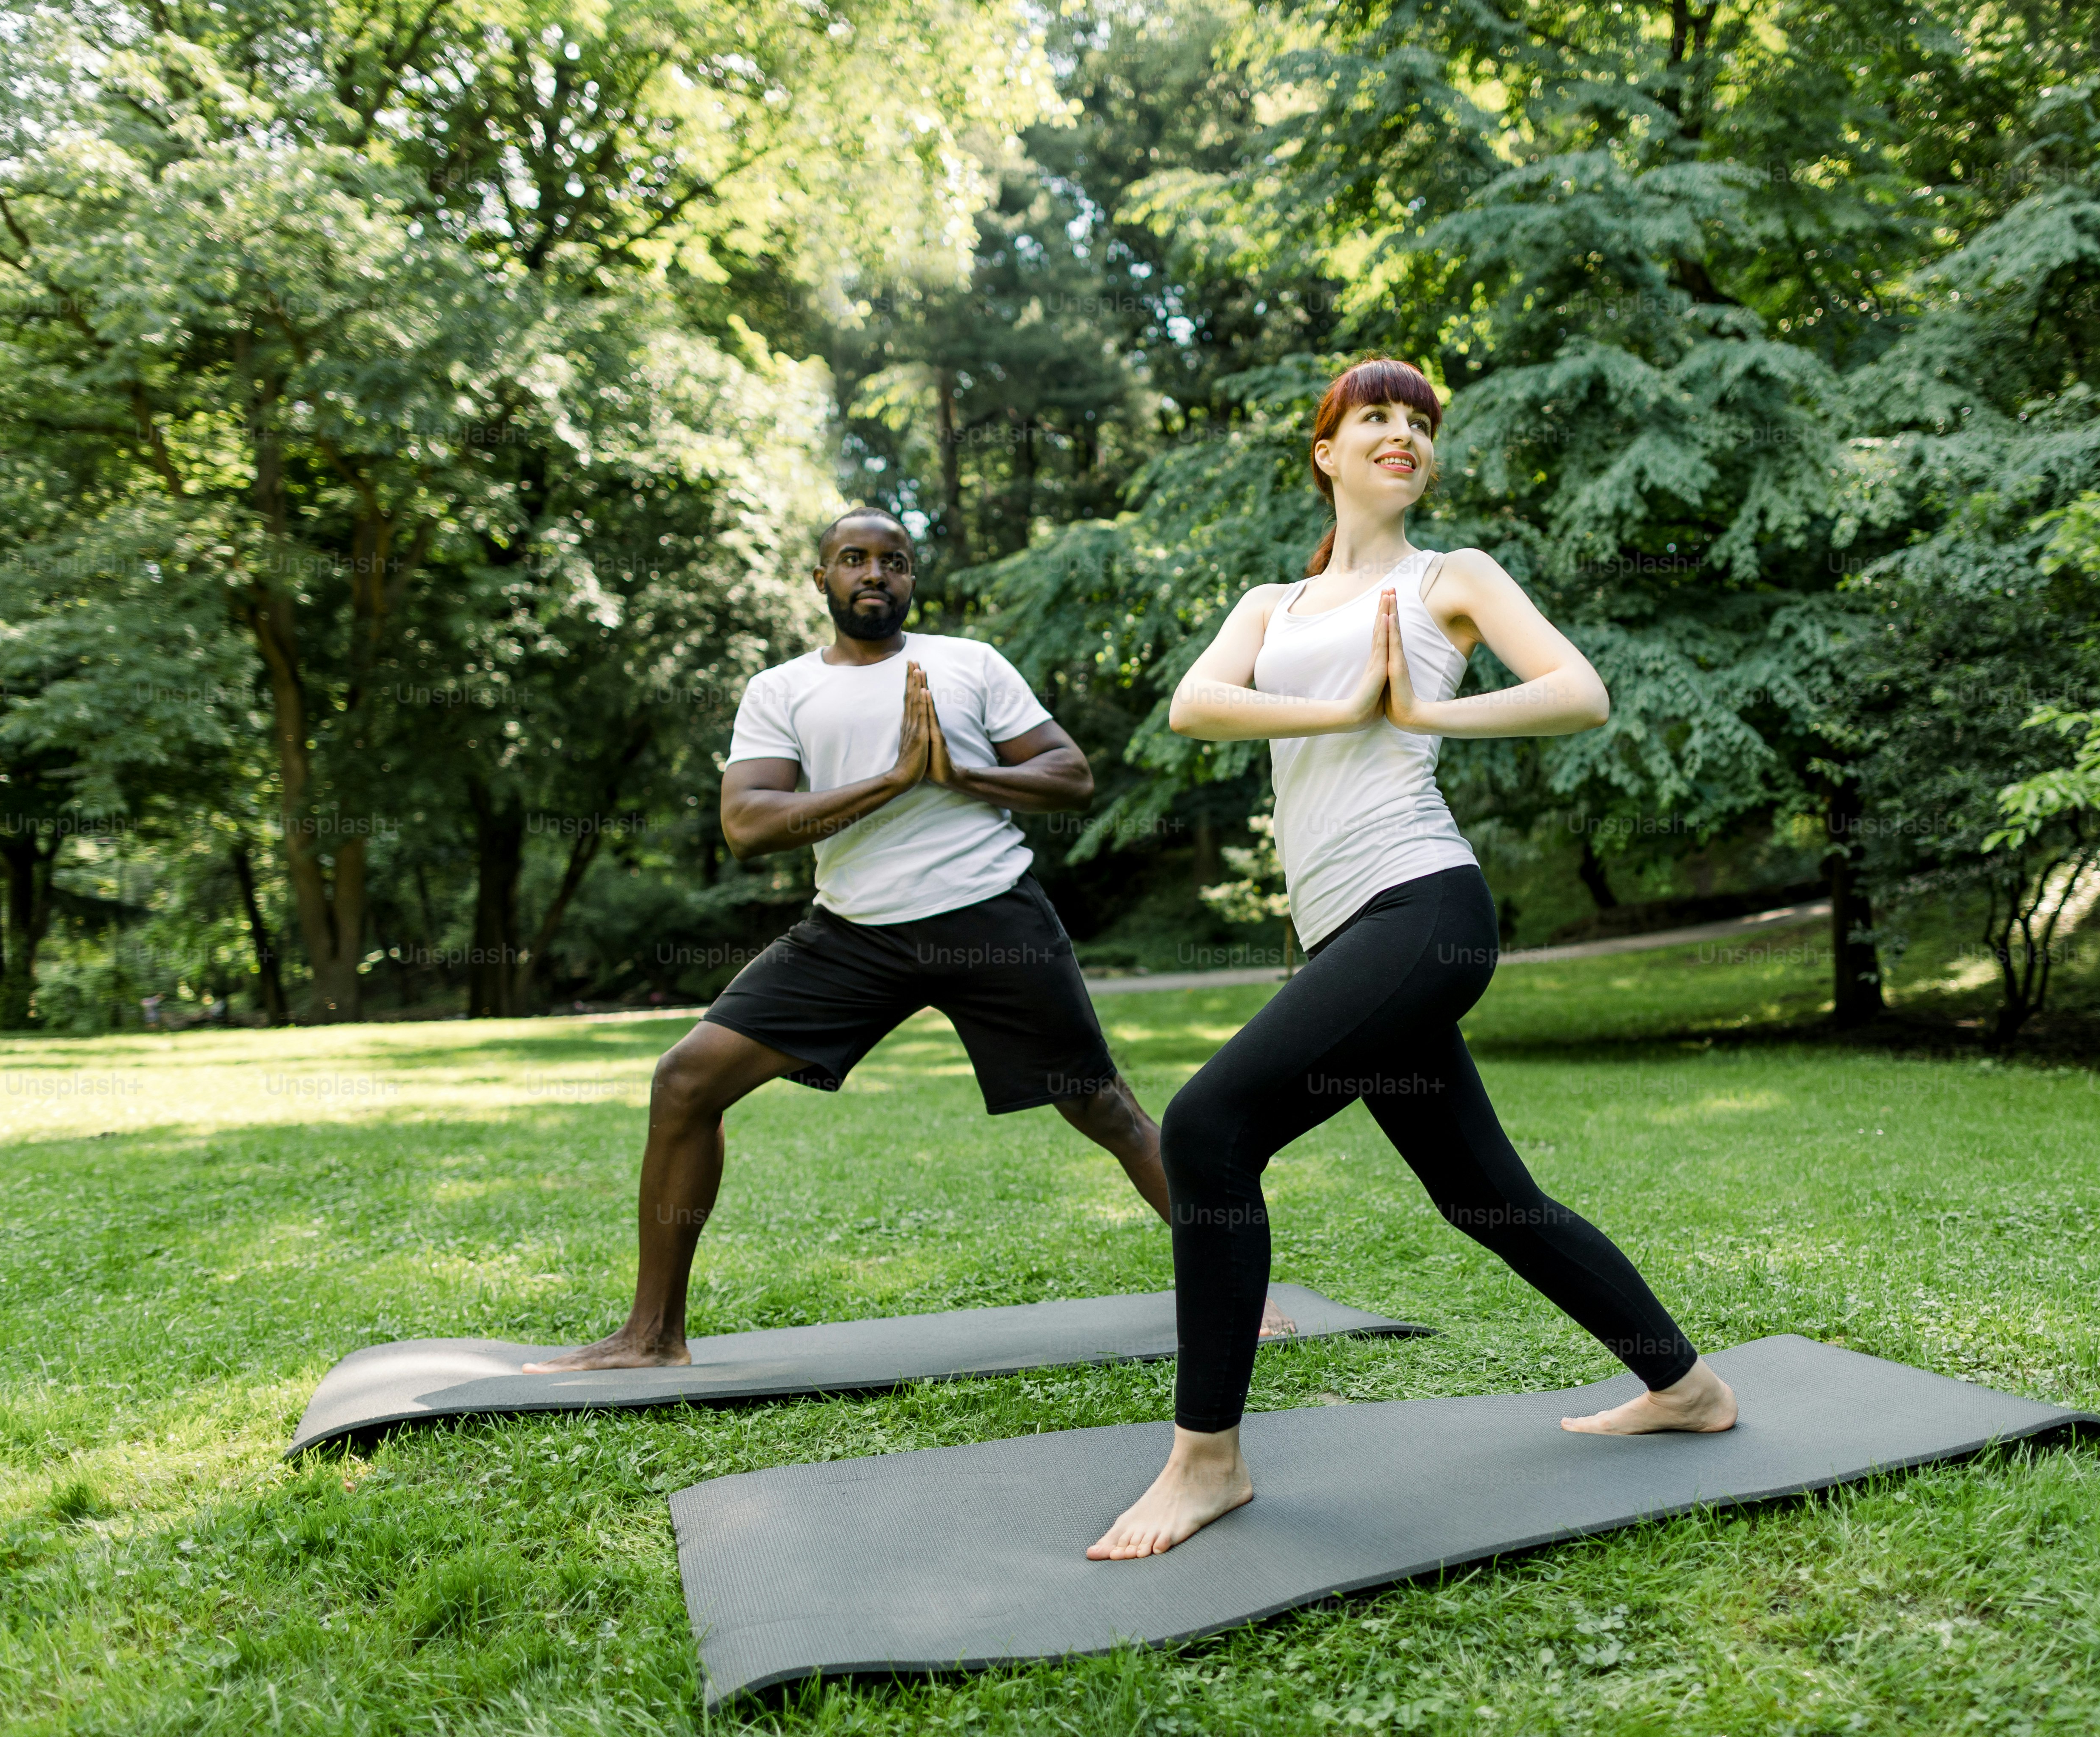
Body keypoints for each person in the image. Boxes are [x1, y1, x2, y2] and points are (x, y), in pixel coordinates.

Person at [1087, 360, 1737, 1560]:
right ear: (1325, 453)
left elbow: (1576, 692)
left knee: (1206, 1129)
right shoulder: (1269, 605)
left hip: (1422, 909)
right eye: (1373, 418)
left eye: (1420, 423)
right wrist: (1345, 712)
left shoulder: (1454, 578)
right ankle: (1685, 1387)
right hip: (1349, 931)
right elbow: (1193, 704)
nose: (1402, 434)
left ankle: (1206, 1460)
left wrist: (1427, 715)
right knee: (1484, 1194)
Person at [526, 509, 1288, 1372]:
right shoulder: (781, 689)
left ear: (912, 578)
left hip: (990, 914)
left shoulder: (968, 665)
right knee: (687, 1079)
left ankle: (1240, 1299)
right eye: (852, 559)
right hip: (854, 932)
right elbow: (746, 823)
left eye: (893, 560)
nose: (873, 573)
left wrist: (960, 774)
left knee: (1101, 1104)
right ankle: (652, 1334)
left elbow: (1069, 774)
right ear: (821, 579)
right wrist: (891, 780)